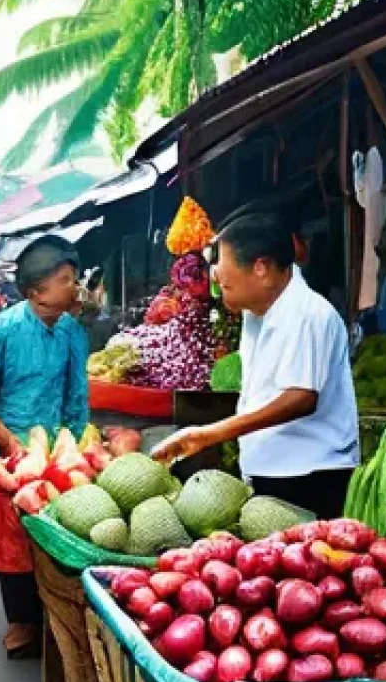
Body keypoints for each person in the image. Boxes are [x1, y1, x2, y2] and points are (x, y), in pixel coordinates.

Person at [152, 213, 359, 518]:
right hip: (272, 472)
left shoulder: (306, 314)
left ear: (260, 268)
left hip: (308, 477)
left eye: (221, 260)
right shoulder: (256, 312)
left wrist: (208, 434)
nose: (215, 274)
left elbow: (300, 398)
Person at [0, 237, 89, 659]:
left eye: (74, 278)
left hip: (57, 448)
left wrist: (77, 441)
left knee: (59, 528)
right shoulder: (2, 331)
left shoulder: (72, 331)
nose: (75, 287)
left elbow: (77, 393)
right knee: (11, 537)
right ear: (36, 292)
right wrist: (2, 438)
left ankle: (57, 612)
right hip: (11, 447)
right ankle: (21, 621)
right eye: (65, 280)